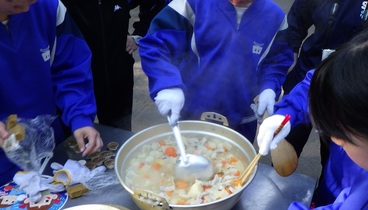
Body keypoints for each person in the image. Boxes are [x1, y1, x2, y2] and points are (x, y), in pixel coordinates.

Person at [138, 0, 293, 142]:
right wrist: (167, 84)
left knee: (232, 168)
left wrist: (269, 88)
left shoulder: (276, 17)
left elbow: (276, 61)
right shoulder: (190, 4)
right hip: (190, 113)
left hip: (243, 118)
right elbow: (156, 45)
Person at [256, 27, 368, 209]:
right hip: (334, 180)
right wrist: (285, 114)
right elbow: (319, 85)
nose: (333, 138)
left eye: (343, 132)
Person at [0, 0, 103, 187]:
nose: (25, 9)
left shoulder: (50, 8)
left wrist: (79, 116)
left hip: (51, 151)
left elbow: (70, 69)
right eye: (13, 3)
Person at [281, 0, 368, 161]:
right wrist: (291, 51)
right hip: (308, 71)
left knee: (336, 155)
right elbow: (297, 19)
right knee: (289, 138)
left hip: (348, 87)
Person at [60, 0, 167, 131]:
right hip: (74, 76)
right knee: (73, 136)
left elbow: (155, 4)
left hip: (118, 71)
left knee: (119, 133)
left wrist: (139, 34)